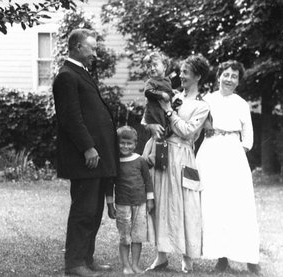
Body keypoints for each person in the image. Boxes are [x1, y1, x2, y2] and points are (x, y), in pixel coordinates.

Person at [52, 28, 119, 277]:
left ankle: (87, 259)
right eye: (92, 48)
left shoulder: (81, 73)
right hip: (85, 158)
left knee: (94, 210)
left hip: (97, 158)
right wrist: (88, 147)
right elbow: (70, 118)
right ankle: (74, 264)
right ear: (78, 47)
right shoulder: (66, 76)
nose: (95, 53)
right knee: (84, 210)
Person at [143, 54, 211, 273]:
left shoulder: (202, 106)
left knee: (187, 204)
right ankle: (161, 256)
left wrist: (170, 111)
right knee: (161, 201)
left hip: (184, 155)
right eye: (180, 71)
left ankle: (188, 257)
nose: (180, 76)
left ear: (197, 76)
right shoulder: (172, 94)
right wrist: (151, 126)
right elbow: (150, 117)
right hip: (164, 151)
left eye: (186, 72)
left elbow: (187, 131)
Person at [195, 60, 261, 274]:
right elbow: (194, 128)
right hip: (210, 152)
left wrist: (237, 153)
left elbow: (248, 135)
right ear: (218, 76)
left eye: (234, 76)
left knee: (240, 205)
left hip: (233, 153)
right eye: (226, 74)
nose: (229, 79)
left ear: (238, 81)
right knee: (214, 205)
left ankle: (250, 258)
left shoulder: (241, 103)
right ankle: (221, 257)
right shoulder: (207, 100)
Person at [106, 126, 155, 275]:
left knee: (137, 237)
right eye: (122, 143)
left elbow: (148, 181)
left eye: (129, 143)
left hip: (140, 204)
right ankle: (126, 266)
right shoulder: (114, 162)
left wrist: (150, 200)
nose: (125, 146)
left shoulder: (140, 160)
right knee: (125, 237)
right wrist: (110, 204)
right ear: (116, 143)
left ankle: (135, 264)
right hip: (122, 205)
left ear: (135, 144)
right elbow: (109, 185)